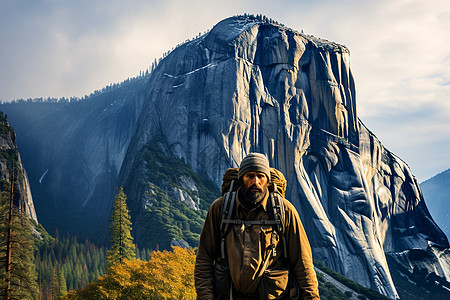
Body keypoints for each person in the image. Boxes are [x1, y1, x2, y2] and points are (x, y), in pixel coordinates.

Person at [195, 153, 320, 299]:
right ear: (241, 179)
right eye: (250, 176)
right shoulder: (221, 208)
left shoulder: (284, 210)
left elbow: (302, 262)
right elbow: (204, 258)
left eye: (261, 176)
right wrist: (205, 297)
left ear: (267, 180)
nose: (256, 182)